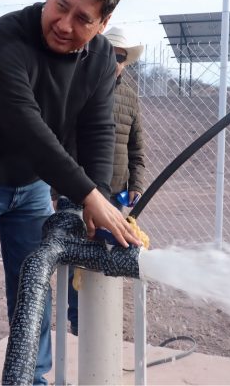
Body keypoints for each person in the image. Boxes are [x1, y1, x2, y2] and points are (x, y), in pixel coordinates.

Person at [0, 0, 143, 385]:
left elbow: (97, 128)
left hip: (31, 182)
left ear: (102, 24)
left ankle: (34, 377)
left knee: (32, 284)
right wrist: (88, 196)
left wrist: (97, 194)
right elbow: (27, 127)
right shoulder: (5, 38)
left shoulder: (101, 59)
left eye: (82, 18)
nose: (64, 23)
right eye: (60, 5)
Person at [67, 26, 146, 335]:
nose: (115, 60)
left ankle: (101, 325)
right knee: (78, 258)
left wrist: (136, 183)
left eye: (121, 56)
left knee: (107, 258)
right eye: (110, 53)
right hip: (79, 191)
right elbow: (62, 139)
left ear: (127, 59)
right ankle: (78, 325)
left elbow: (137, 145)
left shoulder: (129, 94)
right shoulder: (77, 84)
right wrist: (60, 188)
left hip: (114, 195)